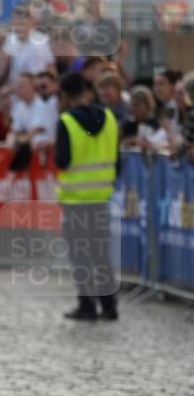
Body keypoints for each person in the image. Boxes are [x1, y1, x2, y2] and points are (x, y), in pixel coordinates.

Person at [55, 72, 120, 321]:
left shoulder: (67, 122)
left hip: (75, 201)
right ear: (86, 91)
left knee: (80, 254)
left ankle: (87, 305)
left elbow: (62, 160)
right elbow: (118, 159)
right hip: (101, 197)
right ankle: (109, 305)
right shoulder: (110, 118)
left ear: (64, 96)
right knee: (100, 253)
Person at [120, 86, 171, 156]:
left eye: (137, 105)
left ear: (147, 105)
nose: (133, 109)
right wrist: (133, 140)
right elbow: (118, 144)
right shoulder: (127, 125)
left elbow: (163, 144)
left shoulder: (155, 125)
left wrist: (148, 144)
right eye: (131, 105)